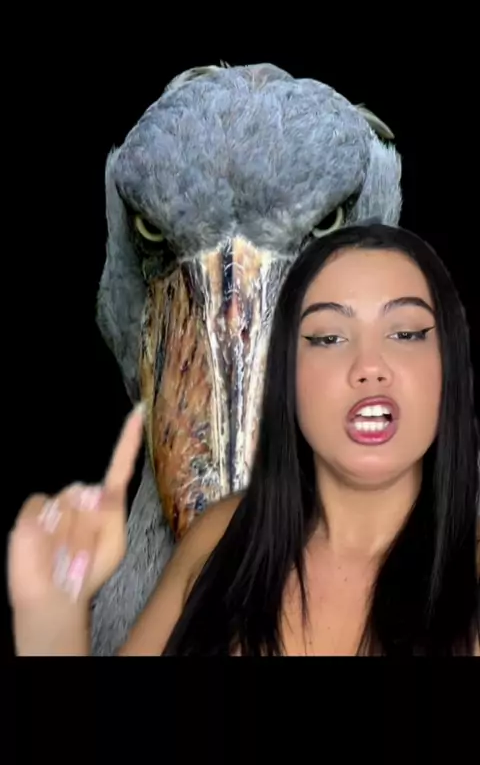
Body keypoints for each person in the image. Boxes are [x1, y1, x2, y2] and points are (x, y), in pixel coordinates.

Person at [8, 222, 480, 656]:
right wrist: (52, 615)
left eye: (406, 333)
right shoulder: (220, 536)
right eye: (329, 338)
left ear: (450, 365)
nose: (369, 367)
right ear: (285, 374)